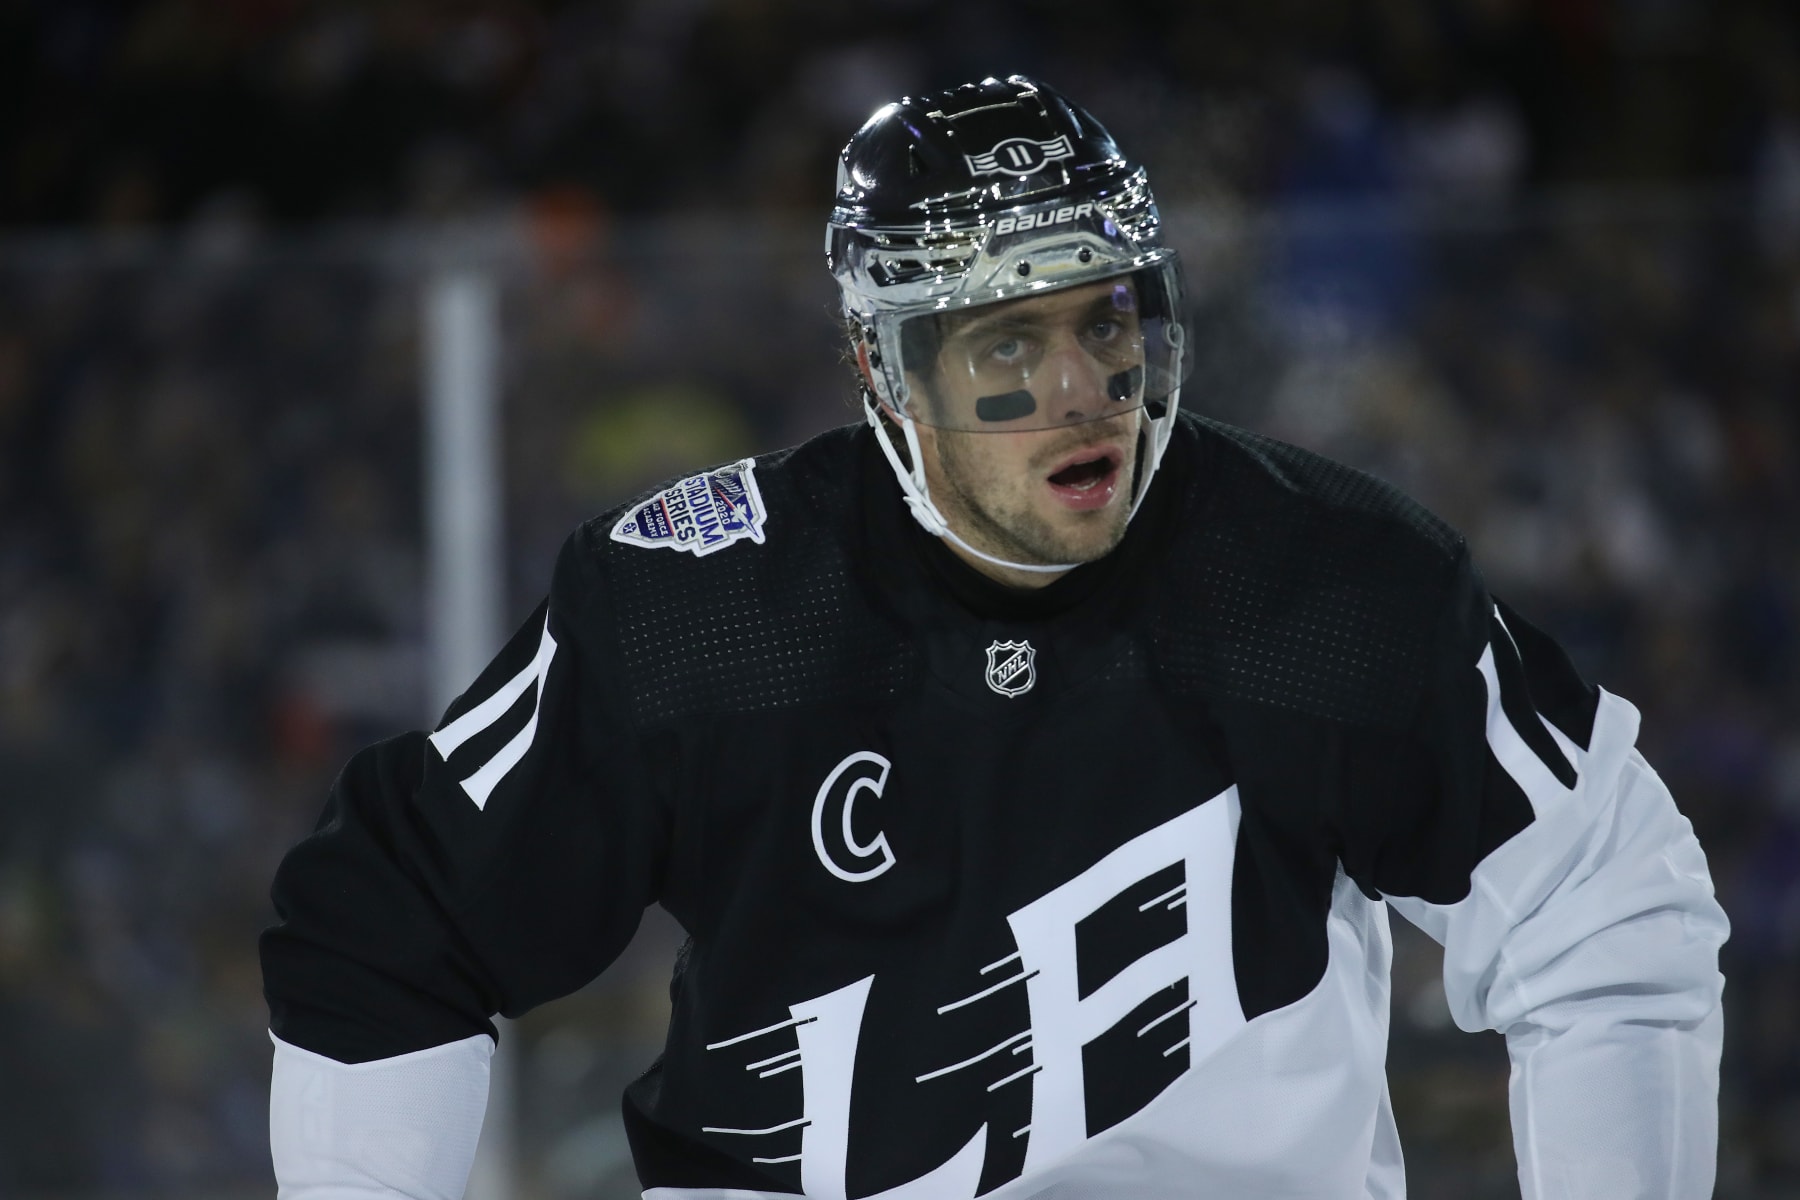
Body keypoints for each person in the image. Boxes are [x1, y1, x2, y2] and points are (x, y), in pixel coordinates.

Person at [262, 75, 1728, 1199]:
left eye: (1107, 321)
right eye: (1007, 345)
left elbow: (1610, 906)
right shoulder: (702, 609)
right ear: (884, 371)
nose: (1082, 388)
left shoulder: (1327, 580)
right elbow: (386, 926)